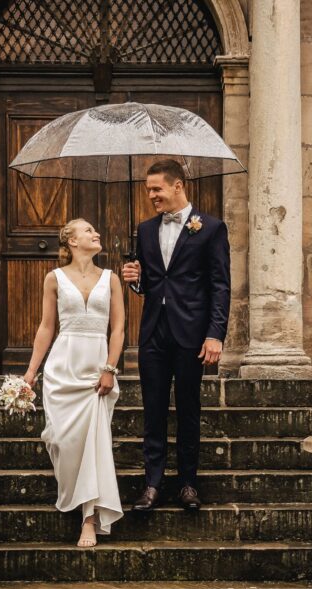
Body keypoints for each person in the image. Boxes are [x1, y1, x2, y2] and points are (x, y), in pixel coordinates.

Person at [122, 159, 230, 511]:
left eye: (157, 189)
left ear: (178, 186)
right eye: (149, 190)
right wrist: (135, 278)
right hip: (154, 332)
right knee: (152, 410)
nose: (151, 195)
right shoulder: (145, 228)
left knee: (188, 409)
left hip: (192, 334)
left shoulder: (211, 228)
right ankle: (152, 485)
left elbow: (220, 286)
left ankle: (187, 484)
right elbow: (150, 285)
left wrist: (215, 334)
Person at [24, 219, 125, 547]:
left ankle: (89, 518)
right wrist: (30, 372)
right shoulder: (53, 279)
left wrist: (110, 368)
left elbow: (119, 329)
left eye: (96, 230)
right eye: (87, 230)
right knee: (63, 441)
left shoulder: (110, 279)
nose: (96, 233)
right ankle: (75, 495)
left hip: (96, 370)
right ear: (70, 240)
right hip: (63, 367)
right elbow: (45, 327)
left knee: (94, 444)